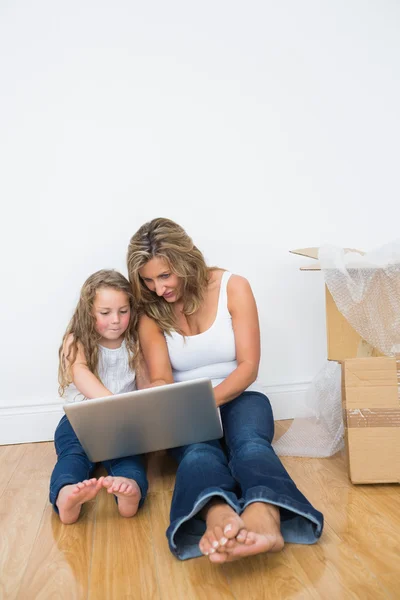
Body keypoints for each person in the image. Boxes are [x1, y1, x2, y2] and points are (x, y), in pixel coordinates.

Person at [127, 217, 323, 562]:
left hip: (242, 394)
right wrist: (168, 405)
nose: (158, 289)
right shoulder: (151, 312)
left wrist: (208, 403)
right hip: (184, 405)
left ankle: (265, 516)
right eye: (148, 280)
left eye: (165, 276)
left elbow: (248, 367)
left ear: (186, 260)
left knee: (249, 445)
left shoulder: (234, 286)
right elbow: (162, 378)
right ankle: (218, 513)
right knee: (199, 454)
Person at [49, 269, 148, 524]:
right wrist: (112, 404)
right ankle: (66, 494)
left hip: (122, 423)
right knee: (73, 456)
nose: (115, 320)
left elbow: (145, 383)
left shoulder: (134, 340)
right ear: (88, 312)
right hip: (80, 420)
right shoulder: (77, 340)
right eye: (105, 313)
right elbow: (81, 374)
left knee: (129, 459)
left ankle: (129, 490)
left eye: (123, 311)